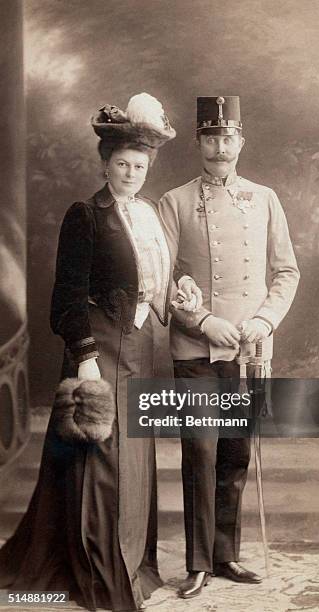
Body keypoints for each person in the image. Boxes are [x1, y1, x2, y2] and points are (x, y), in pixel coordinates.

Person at [0, 93, 199, 612]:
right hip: (100, 349)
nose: (132, 172)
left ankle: (134, 564)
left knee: (134, 457)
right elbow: (65, 299)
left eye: (139, 165)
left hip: (141, 348)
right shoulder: (85, 215)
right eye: (122, 165)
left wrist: (179, 292)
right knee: (101, 462)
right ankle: (98, 572)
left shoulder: (151, 214)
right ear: (105, 165)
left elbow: (153, 281)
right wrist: (84, 356)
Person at [159, 95, 300, 599]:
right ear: (199, 142)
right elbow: (160, 280)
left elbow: (285, 272)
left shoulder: (265, 198)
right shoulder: (173, 202)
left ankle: (225, 555)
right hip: (196, 350)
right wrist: (203, 321)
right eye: (211, 138)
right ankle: (197, 563)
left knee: (235, 453)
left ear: (242, 142)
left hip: (248, 350)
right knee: (200, 450)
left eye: (228, 138)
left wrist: (263, 321)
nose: (220, 147)